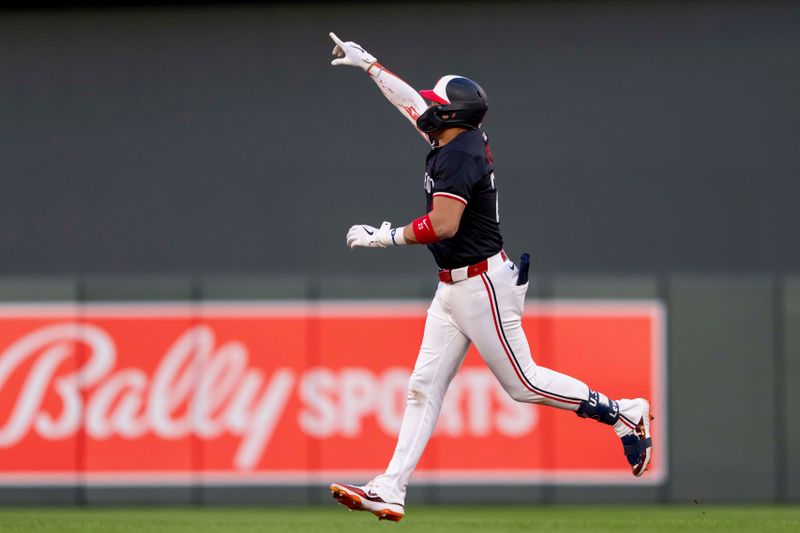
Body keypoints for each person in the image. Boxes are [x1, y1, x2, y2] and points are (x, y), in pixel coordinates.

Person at [326, 32, 653, 522]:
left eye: (439, 105)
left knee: (524, 385)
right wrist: (369, 64)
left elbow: (443, 225)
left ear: (452, 116)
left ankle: (624, 412)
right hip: (454, 285)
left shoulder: (460, 155)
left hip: (482, 285)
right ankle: (390, 488)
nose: (429, 109)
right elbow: (411, 103)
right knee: (422, 387)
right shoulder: (456, 136)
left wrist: (382, 237)